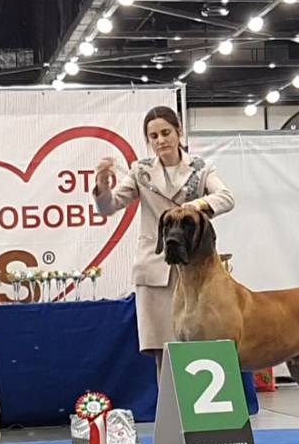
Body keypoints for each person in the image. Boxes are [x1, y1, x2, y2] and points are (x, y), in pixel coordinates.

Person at [92, 105, 235, 368]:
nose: (161, 140)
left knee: (203, 348)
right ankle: (169, 409)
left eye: (166, 132)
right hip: (155, 268)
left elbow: (226, 198)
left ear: (179, 132)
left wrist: (194, 207)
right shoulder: (140, 171)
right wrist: (102, 186)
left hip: (196, 272)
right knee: (163, 352)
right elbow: (109, 207)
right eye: (153, 136)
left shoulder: (201, 168)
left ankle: (200, 409)